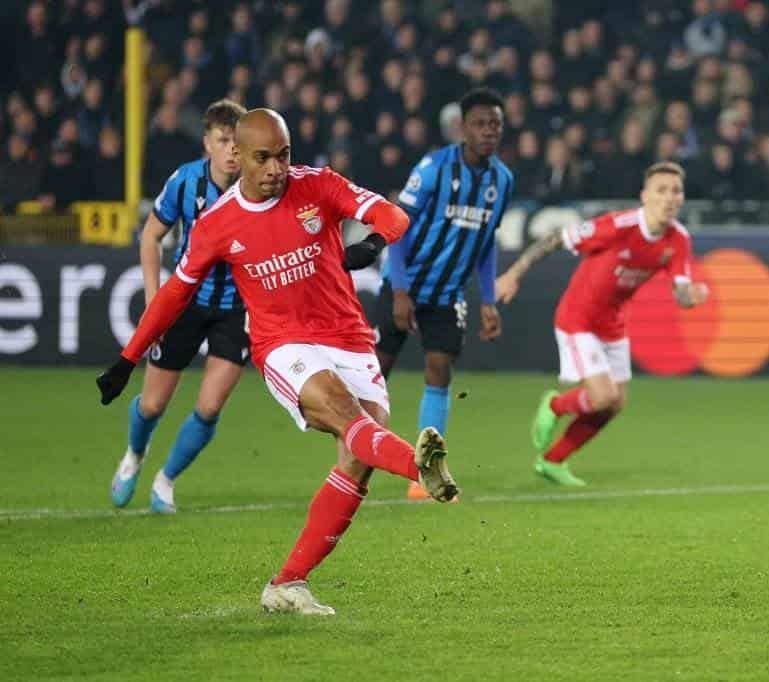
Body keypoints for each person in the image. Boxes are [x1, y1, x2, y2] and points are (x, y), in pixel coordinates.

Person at [96, 109, 459, 616]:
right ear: (238, 157)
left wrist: (371, 243)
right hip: (283, 344)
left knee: (358, 459)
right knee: (343, 412)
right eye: (263, 157)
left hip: (349, 336)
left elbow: (394, 216)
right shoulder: (218, 224)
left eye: (283, 155)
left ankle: (288, 583)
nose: (275, 168)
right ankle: (418, 467)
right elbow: (175, 294)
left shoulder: (318, 185)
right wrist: (127, 358)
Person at [495, 161, 709, 486]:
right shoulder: (618, 225)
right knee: (603, 397)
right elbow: (556, 238)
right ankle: (554, 405)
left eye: (676, 191)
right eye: (661, 190)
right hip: (578, 319)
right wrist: (514, 273)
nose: (669, 198)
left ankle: (552, 461)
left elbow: (681, 293)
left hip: (613, 325)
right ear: (645, 196)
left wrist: (692, 295)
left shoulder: (678, 239)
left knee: (614, 405)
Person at [375, 88, 514, 500]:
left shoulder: (502, 181)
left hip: (448, 293)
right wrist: (400, 290)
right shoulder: (435, 168)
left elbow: (486, 243)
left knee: (439, 369)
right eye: (481, 123)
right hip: (405, 284)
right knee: (374, 374)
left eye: (495, 125)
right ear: (463, 128)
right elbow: (397, 225)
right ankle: (357, 456)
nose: (489, 131)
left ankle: (423, 472)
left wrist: (487, 298)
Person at [110, 99, 248, 514]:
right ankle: (135, 456)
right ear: (207, 143)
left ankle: (165, 481)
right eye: (223, 141)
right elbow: (150, 236)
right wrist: (156, 302)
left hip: (237, 310)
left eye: (237, 142)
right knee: (152, 404)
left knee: (209, 408)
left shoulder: (258, 187)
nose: (232, 150)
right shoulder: (186, 182)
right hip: (185, 302)